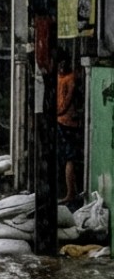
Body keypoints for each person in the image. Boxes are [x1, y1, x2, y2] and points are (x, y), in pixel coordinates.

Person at [57, 54, 83, 203]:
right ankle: (70, 191)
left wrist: (57, 111)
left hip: (67, 121)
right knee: (69, 157)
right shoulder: (66, 78)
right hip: (65, 121)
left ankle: (71, 191)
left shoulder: (67, 79)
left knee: (69, 157)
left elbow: (66, 101)